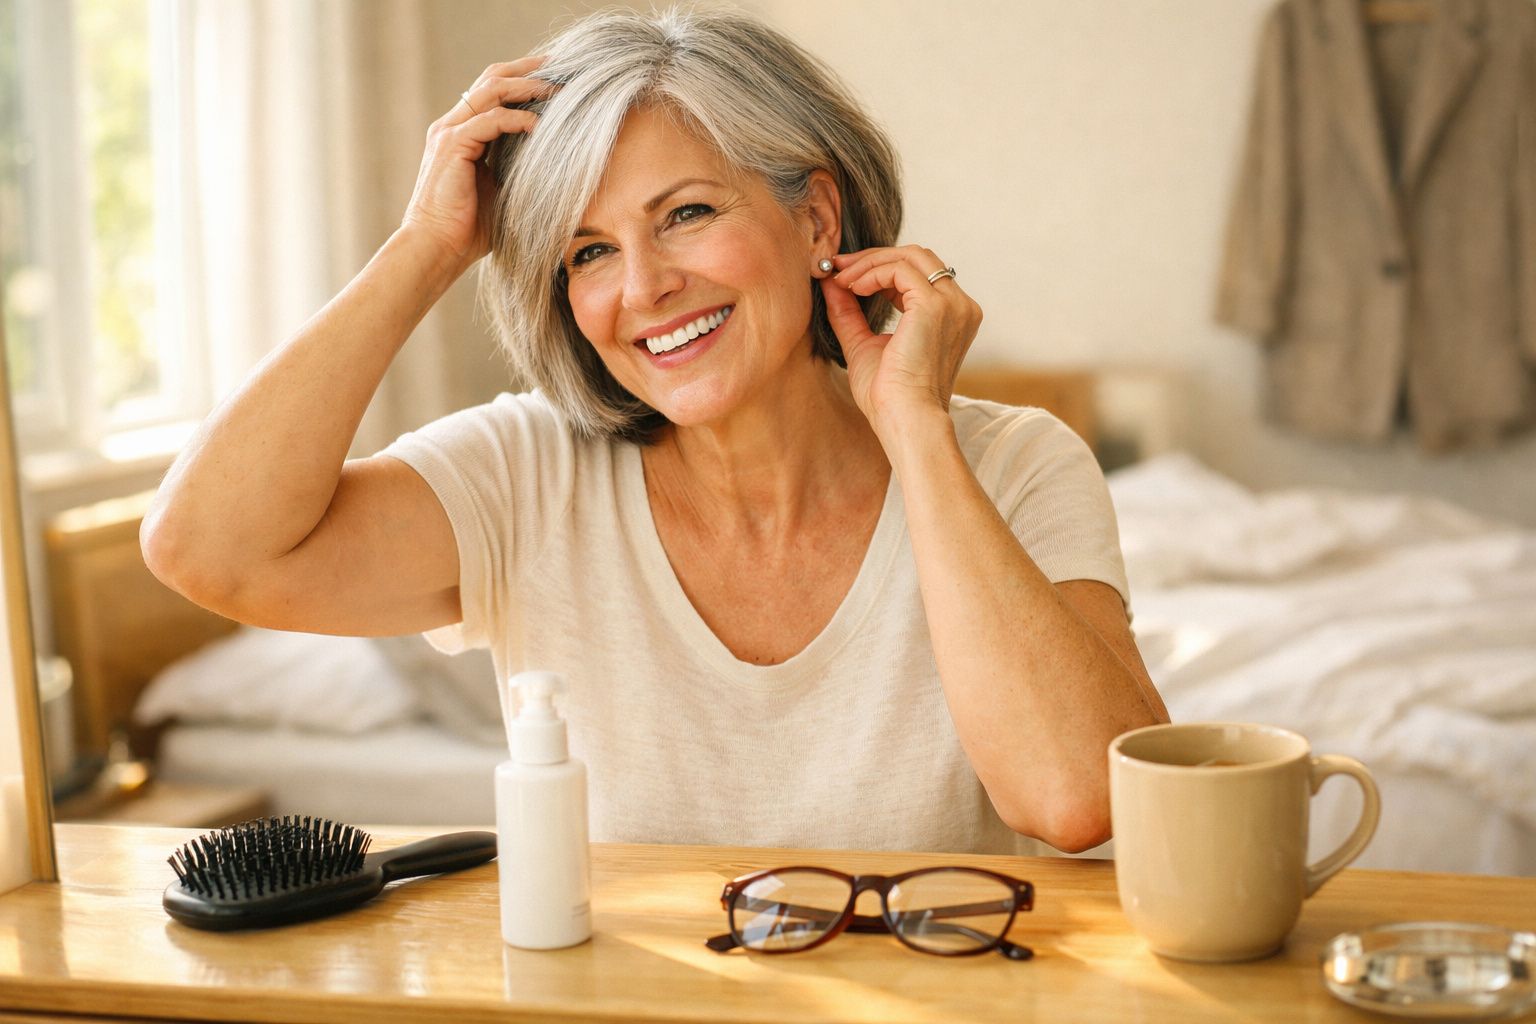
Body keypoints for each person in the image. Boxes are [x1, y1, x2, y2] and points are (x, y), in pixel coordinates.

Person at [142, 7, 1168, 856]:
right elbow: (204, 548)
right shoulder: (527, 473)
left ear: (817, 219)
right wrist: (424, 247)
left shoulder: (1018, 463)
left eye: (684, 214)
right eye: (587, 252)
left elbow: (1080, 796)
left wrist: (918, 433)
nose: (642, 288)